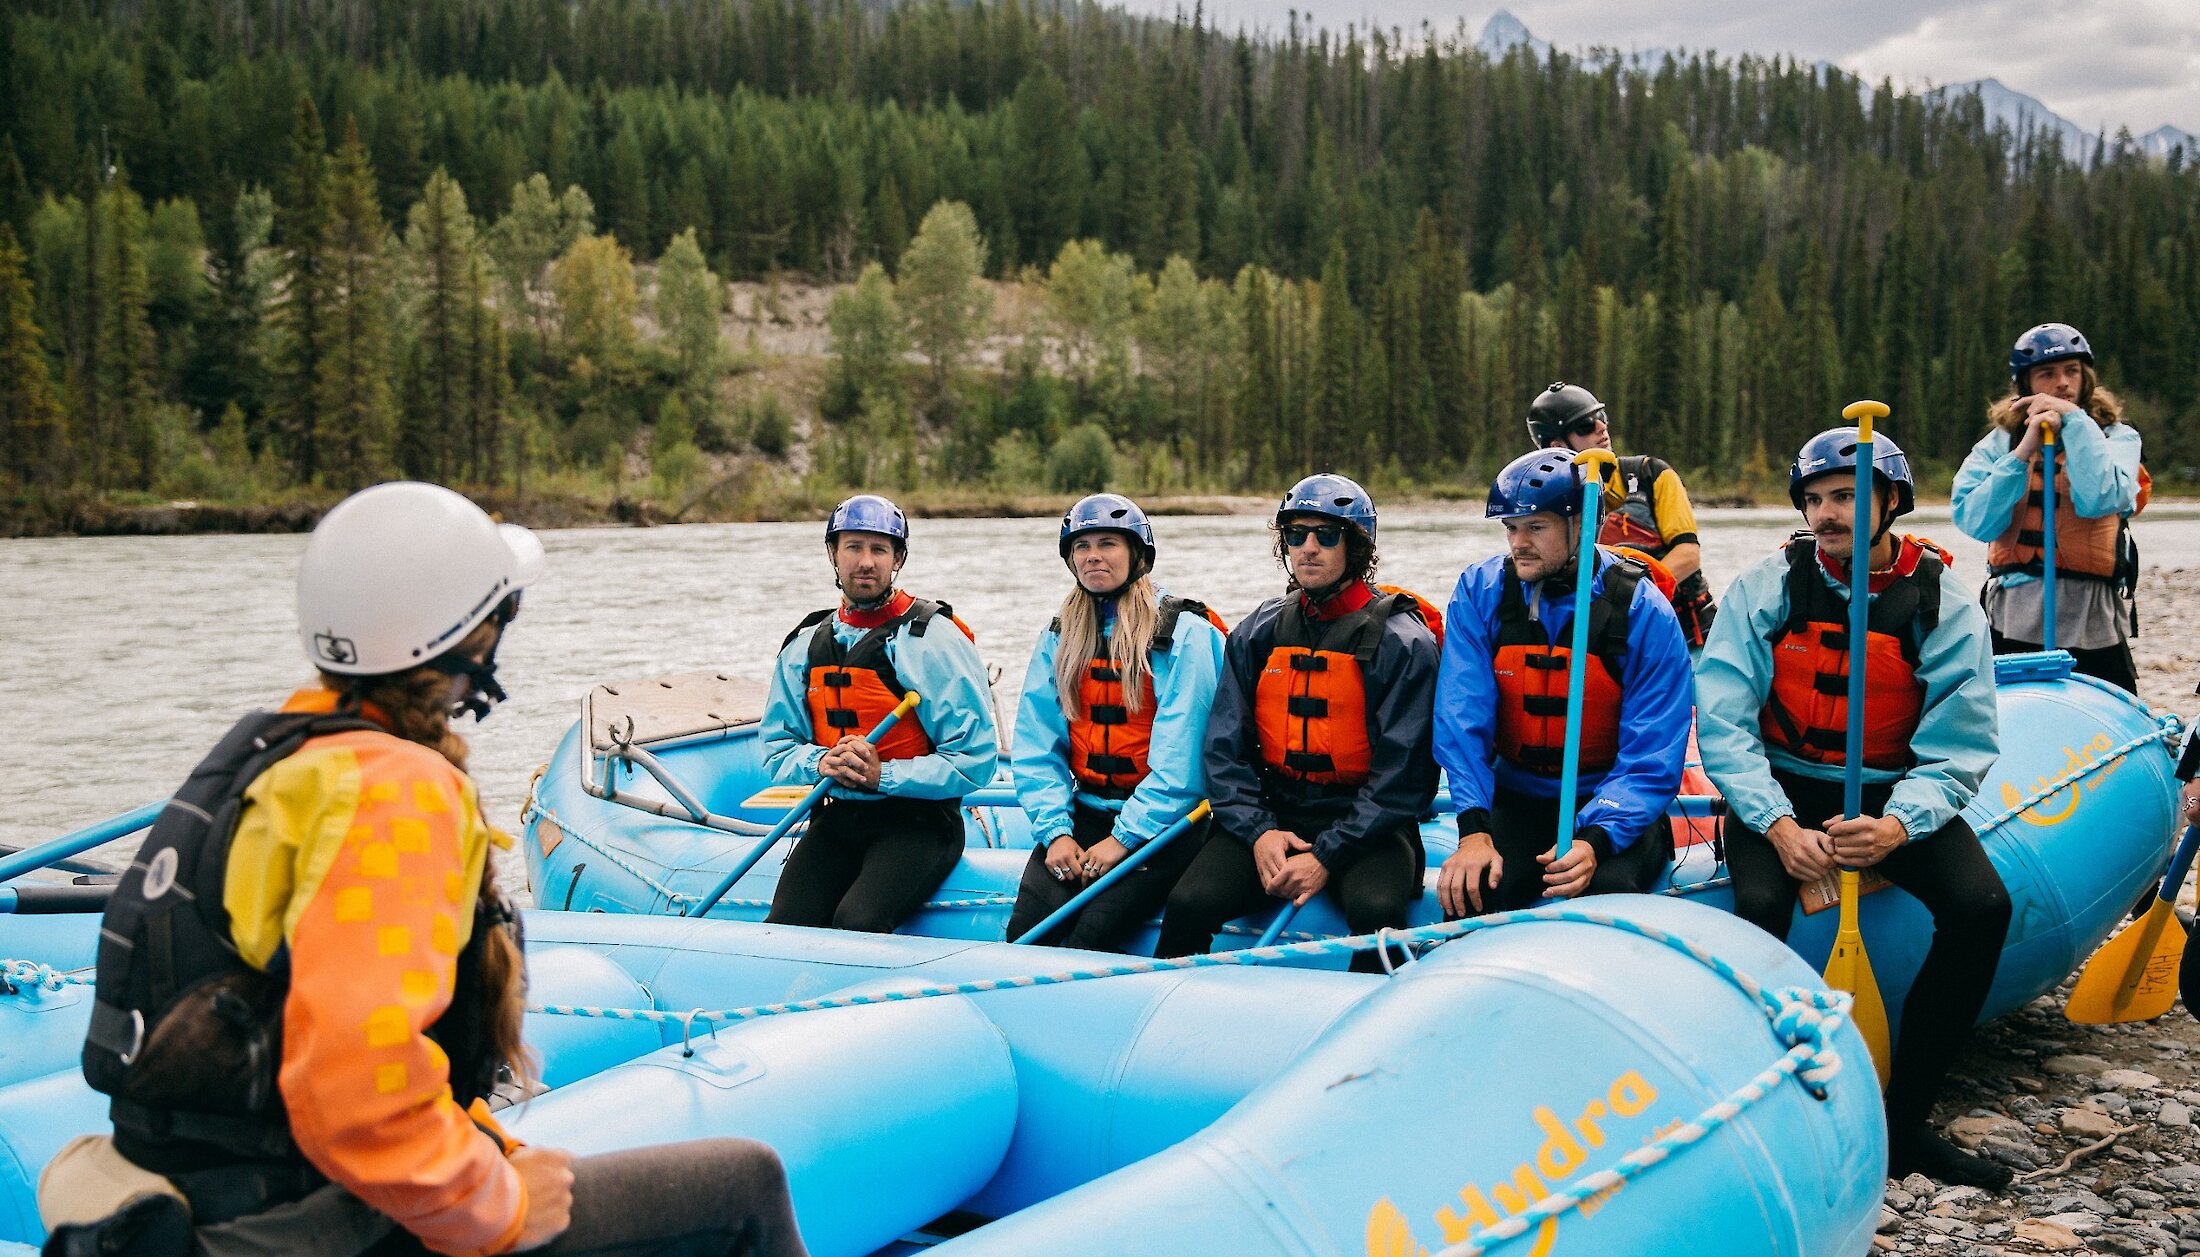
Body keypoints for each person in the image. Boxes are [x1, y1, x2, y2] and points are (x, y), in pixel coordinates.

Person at [41, 482, 805, 1256]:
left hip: (212, 1173)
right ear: (469, 637)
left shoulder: (274, 754)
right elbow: (353, 1086)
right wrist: (499, 1198)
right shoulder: (395, 791)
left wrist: (485, 1151)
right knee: (747, 1181)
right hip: (299, 1211)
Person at [1696, 429, 2013, 1189]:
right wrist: (1775, 823)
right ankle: (1747, 1111)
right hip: (1780, 787)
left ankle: (1904, 1126)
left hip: (1885, 792)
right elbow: (1724, 720)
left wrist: (1900, 824)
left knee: (1982, 907)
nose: (1825, 514)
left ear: (1891, 502)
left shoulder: (1940, 603)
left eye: (1844, 496)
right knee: (1762, 903)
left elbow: (1960, 746)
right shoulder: (1767, 586)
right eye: (1813, 499)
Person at [1154, 474, 1440, 974]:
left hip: (1368, 826)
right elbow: (1224, 750)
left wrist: (1327, 856)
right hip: (1275, 813)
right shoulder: (1259, 631)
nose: (1308, 548)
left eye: (1326, 536)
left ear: (1356, 548)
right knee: (1188, 902)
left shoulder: (1403, 642)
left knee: (1378, 915)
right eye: (1295, 535)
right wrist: (1259, 831)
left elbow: (1405, 778)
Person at [1433, 449, 1693, 917]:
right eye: (1511, 527)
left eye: (1536, 527)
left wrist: (1595, 839)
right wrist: (1473, 829)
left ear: (1583, 524)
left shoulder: (1642, 611)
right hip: (1520, 800)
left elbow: (1652, 751)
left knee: (1606, 893)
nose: (1518, 543)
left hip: (1612, 802)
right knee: (1474, 895)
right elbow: (1460, 716)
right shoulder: (1481, 591)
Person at [759, 493, 997, 933]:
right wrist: (819, 761)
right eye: (853, 547)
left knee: (858, 920)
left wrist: (882, 776)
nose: (865, 562)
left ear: (898, 558)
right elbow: (776, 750)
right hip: (836, 817)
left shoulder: (935, 642)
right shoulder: (805, 644)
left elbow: (976, 761)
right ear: (833, 554)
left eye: (879, 549)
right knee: (787, 924)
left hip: (919, 823)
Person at [1004, 494, 1228, 951]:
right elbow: (1035, 746)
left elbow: (1182, 764)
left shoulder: (1185, 634)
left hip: (1166, 828)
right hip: (1085, 815)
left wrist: (1122, 840)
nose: (1093, 556)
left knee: (1088, 939)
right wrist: (1055, 833)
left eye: (1108, 543)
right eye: (1082, 546)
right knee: (1024, 936)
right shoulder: (1061, 635)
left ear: (1137, 554)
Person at [1951, 322, 2148, 692]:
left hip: (2093, 615)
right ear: (2026, 385)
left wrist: (2075, 423)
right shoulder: (1999, 443)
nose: (2062, 384)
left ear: (2085, 377)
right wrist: (2022, 450)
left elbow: (2100, 500)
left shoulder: (2117, 437)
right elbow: (1974, 520)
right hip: (2016, 613)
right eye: (2048, 374)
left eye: (2072, 371)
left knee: (2111, 708)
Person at [1528, 381, 1718, 648]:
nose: (1601, 427)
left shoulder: (1652, 475)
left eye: (1600, 417)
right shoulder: (1551, 503)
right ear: (1557, 444)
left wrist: (1625, 594)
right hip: (1607, 638)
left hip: (1683, 632)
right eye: (1585, 425)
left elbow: (1688, 555)